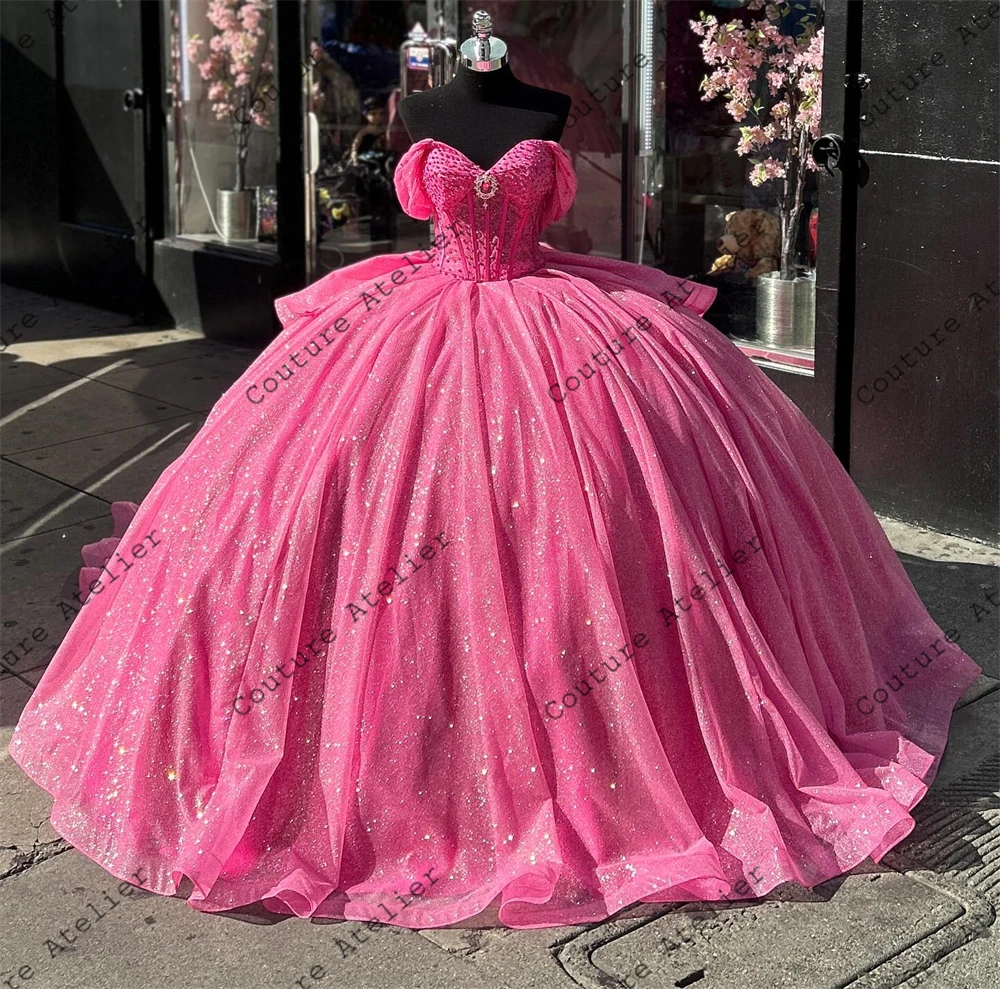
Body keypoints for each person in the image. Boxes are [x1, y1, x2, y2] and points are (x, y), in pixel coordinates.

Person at [10, 79, 981, 932]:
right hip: (416, 319)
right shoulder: (421, 108)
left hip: (551, 314)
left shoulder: (537, 107)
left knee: (594, 521)